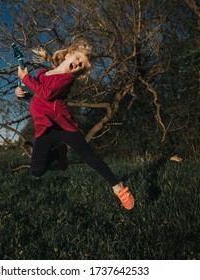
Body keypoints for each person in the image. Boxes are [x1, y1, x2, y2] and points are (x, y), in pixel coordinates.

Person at [14, 39, 134, 210]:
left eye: (81, 65)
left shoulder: (66, 79)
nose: (77, 63)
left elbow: (47, 94)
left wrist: (25, 77)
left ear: (79, 71)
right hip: (45, 127)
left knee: (89, 157)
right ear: (68, 54)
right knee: (36, 170)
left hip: (64, 125)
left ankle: (118, 188)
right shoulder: (41, 74)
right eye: (77, 58)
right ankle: (58, 154)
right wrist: (22, 94)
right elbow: (37, 99)